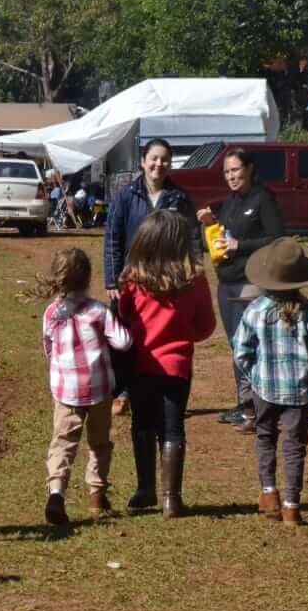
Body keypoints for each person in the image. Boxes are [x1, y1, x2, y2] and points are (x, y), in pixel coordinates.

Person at [117, 210, 216, 518]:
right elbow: (206, 325)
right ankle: (172, 498)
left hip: (141, 365)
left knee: (142, 424)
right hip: (177, 367)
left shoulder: (132, 280)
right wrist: (185, 333)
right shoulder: (194, 279)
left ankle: (145, 488)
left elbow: (123, 318)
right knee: (173, 430)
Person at [233, 238, 308, 527]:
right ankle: (292, 505)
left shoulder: (255, 310)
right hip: (299, 391)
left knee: (265, 437)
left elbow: (241, 351)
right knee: (295, 446)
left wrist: (255, 377)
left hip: (264, 388)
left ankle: (269, 492)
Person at [104, 138, 201, 416]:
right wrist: (112, 280)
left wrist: (193, 271)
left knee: (161, 335)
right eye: (154, 158)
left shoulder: (180, 198)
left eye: (165, 159)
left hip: (169, 281)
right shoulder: (125, 196)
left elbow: (192, 238)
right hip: (131, 280)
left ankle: (167, 393)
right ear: (143, 161)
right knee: (126, 336)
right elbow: (113, 239)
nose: (159, 164)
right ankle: (122, 391)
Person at [38, 248, 132, 525]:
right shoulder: (98, 311)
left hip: (66, 391)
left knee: (63, 444)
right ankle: (96, 496)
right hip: (99, 389)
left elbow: (48, 348)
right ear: (88, 277)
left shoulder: (51, 313)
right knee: (99, 443)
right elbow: (124, 342)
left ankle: (56, 493)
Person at [195, 148, 284, 432]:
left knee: (250, 345)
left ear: (249, 169)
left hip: (251, 282)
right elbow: (226, 234)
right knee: (236, 345)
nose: (231, 176)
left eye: (236, 170)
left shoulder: (263, 199)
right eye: (227, 172)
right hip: (227, 281)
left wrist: (239, 247)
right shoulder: (231, 201)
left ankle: (258, 407)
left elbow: (276, 238)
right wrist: (211, 224)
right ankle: (245, 403)